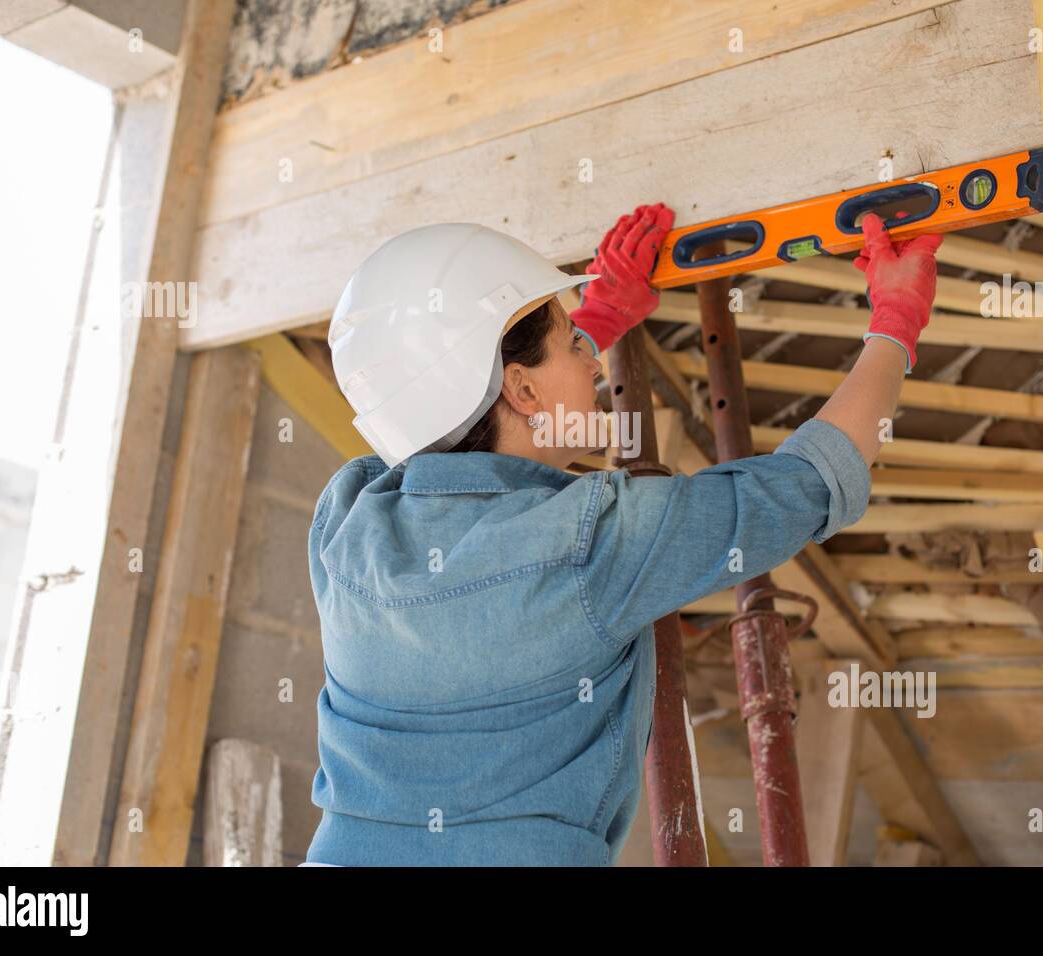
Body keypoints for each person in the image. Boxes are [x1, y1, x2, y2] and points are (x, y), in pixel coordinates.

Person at [301, 205, 943, 866]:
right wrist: (897, 322)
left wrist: (602, 317)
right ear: (520, 387)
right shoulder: (590, 545)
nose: (594, 363)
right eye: (575, 343)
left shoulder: (345, 522)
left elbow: (446, 428)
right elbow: (804, 484)